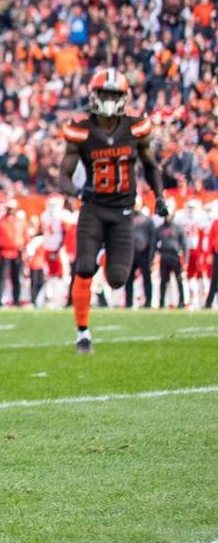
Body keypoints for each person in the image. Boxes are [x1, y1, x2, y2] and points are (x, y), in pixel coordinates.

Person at [59, 68, 168, 353]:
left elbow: (150, 165)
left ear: (123, 97)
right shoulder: (81, 129)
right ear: (93, 95)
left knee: (118, 279)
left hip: (122, 212)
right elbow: (63, 177)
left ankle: (105, 252)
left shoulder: (135, 127)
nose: (108, 100)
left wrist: (159, 195)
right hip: (93, 208)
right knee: (83, 267)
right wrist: (79, 192)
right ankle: (83, 333)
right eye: (104, 94)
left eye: (113, 94)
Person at [0, 203, 28, 306]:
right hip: (4, 252)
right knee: (2, 277)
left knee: (16, 277)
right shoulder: (1, 222)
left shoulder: (21, 222)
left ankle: (16, 300)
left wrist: (25, 248)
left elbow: (25, 236)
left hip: (17, 252)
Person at [156, 212, 188, 308]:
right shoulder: (160, 228)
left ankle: (181, 302)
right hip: (164, 256)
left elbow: (184, 245)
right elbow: (154, 243)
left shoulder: (178, 228)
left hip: (175, 257)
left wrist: (185, 261)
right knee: (163, 281)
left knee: (179, 280)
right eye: (166, 215)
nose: (168, 217)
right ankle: (161, 302)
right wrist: (157, 252)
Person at [126, 206, 156, 308]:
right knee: (128, 279)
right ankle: (128, 302)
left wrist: (151, 256)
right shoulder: (128, 219)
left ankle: (148, 302)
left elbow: (153, 239)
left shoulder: (147, 220)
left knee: (146, 279)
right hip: (131, 253)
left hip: (144, 253)